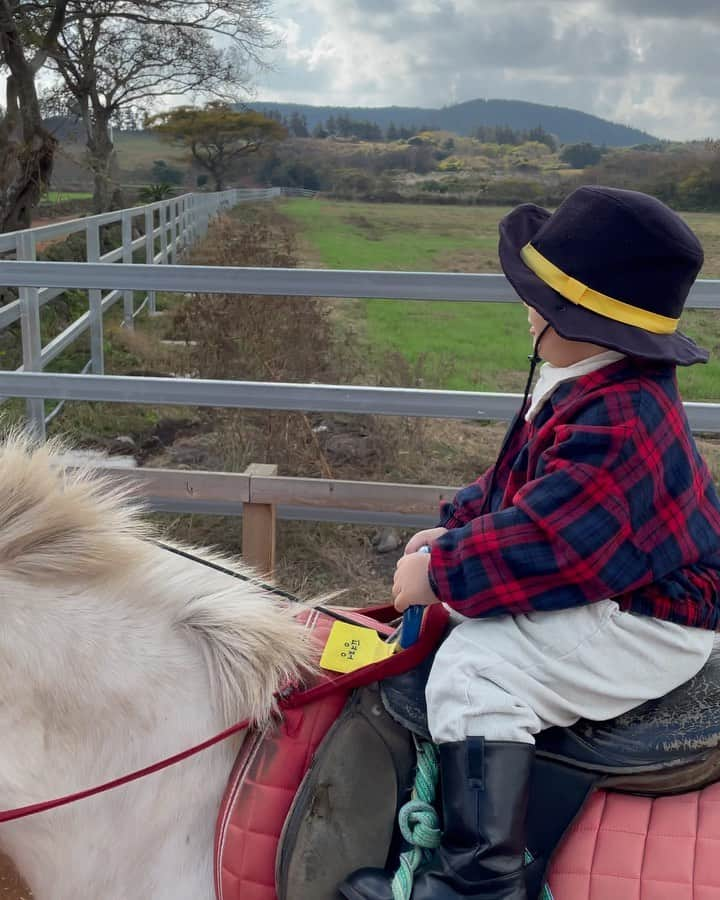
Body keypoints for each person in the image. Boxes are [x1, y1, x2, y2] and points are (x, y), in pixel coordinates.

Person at [339, 185, 720, 900]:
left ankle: (480, 879)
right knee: (474, 632)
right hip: (621, 579)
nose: (528, 309)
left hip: (654, 614)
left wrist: (444, 572)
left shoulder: (622, 419)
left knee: (476, 672)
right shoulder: (585, 379)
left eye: (538, 299)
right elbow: (519, 486)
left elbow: (554, 540)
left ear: (571, 317)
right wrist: (455, 524)